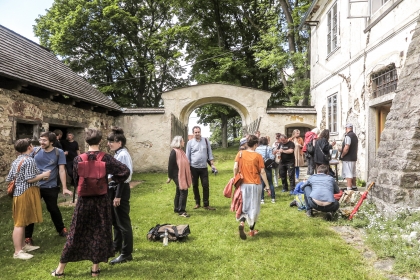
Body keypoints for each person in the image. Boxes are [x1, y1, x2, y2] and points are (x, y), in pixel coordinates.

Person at [51, 128, 130, 278]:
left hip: (84, 200)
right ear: (100, 141)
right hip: (102, 200)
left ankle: (60, 270)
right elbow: (125, 171)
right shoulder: (106, 158)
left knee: (75, 233)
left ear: (86, 142)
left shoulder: (78, 159)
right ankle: (95, 269)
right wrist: (110, 180)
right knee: (99, 231)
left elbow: (75, 178)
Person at [25, 131, 72, 246]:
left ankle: (61, 229)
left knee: (53, 208)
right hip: (34, 186)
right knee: (32, 210)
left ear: (51, 142)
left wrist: (64, 187)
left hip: (51, 186)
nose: (41, 142)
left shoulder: (58, 152)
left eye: (44, 140)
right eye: (40, 139)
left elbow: (61, 170)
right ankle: (27, 237)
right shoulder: (35, 150)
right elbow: (26, 163)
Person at [7, 139, 51, 260]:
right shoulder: (30, 160)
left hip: (19, 192)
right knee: (20, 223)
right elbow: (30, 179)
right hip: (25, 192)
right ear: (29, 147)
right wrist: (44, 175)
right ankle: (18, 252)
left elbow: (9, 178)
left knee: (23, 220)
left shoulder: (17, 161)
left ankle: (23, 246)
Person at [233, 135, 269, 239]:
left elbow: (235, 167)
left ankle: (242, 224)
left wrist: (234, 178)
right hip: (255, 184)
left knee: (244, 206)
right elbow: (262, 172)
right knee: (254, 208)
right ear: (256, 144)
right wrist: (267, 186)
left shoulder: (240, 153)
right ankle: (252, 231)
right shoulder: (258, 156)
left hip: (243, 184)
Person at [107, 127, 134, 264]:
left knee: (123, 223)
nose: (109, 143)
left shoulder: (123, 154)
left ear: (120, 142)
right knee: (116, 222)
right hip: (115, 189)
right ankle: (116, 246)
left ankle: (126, 253)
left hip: (120, 190)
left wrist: (118, 196)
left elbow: (124, 177)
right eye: (109, 141)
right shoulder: (118, 153)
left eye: (113, 141)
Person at [186, 126, 217, 210]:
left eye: (198, 132)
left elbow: (209, 153)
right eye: (195, 132)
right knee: (195, 185)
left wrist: (212, 164)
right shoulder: (190, 143)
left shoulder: (206, 141)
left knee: (205, 185)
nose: (197, 134)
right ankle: (197, 203)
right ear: (193, 133)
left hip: (203, 167)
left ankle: (206, 204)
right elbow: (187, 156)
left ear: (200, 132)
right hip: (193, 167)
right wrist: (187, 168)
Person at [167, 136, 192, 218]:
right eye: (183, 141)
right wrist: (170, 177)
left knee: (179, 191)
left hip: (181, 174)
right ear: (179, 142)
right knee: (183, 191)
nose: (184, 142)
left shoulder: (181, 151)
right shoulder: (174, 152)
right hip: (177, 175)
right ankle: (181, 211)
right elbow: (170, 166)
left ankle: (177, 208)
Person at [338, 123, 359, 191]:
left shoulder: (348, 136)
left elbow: (347, 147)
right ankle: (354, 186)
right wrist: (342, 149)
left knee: (348, 173)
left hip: (348, 158)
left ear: (346, 128)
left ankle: (349, 188)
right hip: (353, 157)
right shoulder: (354, 136)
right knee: (353, 173)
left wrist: (342, 155)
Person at [255, 137, 276, 203]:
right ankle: (273, 198)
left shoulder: (256, 148)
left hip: (260, 166)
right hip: (267, 166)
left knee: (261, 182)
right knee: (270, 182)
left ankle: (262, 199)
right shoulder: (268, 148)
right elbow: (272, 157)